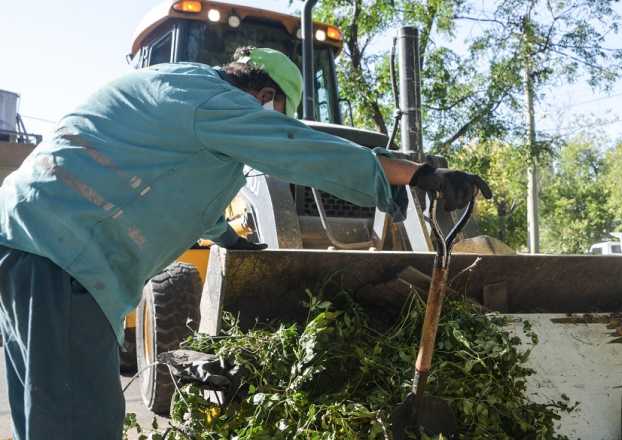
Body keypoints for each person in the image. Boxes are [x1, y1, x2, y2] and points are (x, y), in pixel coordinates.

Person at [0, 47, 492, 439]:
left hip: (33, 243)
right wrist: (416, 173)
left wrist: (229, 239)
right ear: (264, 97)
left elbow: (189, 197)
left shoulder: (184, 96)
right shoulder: (211, 99)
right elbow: (297, 148)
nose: (274, 122)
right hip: (64, 254)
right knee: (77, 423)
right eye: (277, 113)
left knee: (45, 416)